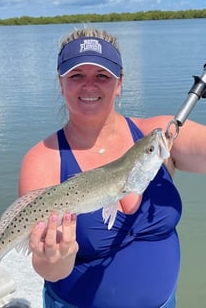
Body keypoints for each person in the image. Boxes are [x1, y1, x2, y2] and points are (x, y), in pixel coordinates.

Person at [18, 27, 206, 308]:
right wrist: (56, 258)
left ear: (119, 83)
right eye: (77, 75)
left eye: (102, 76)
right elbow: (49, 271)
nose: (90, 86)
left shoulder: (159, 135)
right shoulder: (43, 158)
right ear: (61, 83)